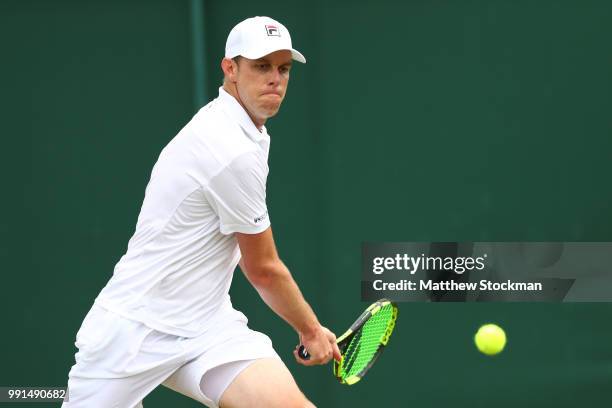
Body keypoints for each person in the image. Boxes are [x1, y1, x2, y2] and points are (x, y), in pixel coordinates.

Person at [63, 16, 340, 408]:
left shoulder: (246, 129)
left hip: (207, 327)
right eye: (262, 66)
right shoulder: (229, 149)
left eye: (283, 68)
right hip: (133, 333)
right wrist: (310, 330)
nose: (275, 79)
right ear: (230, 69)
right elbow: (262, 269)